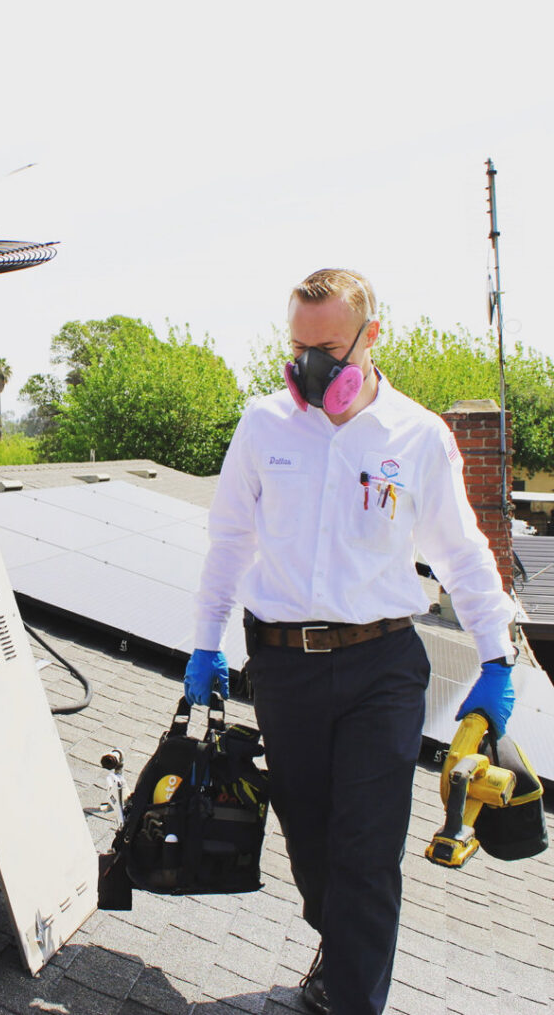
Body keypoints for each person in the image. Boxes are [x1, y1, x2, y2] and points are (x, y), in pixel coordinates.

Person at [184, 269, 517, 1015]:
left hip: (382, 668)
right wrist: (206, 642)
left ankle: (353, 997)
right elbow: (229, 540)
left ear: (371, 336)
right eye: (298, 347)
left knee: (367, 855)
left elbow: (463, 554)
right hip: (283, 667)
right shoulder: (264, 425)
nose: (310, 366)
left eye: (328, 348)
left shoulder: (418, 436)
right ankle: (340, 952)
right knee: (311, 845)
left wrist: (497, 657)